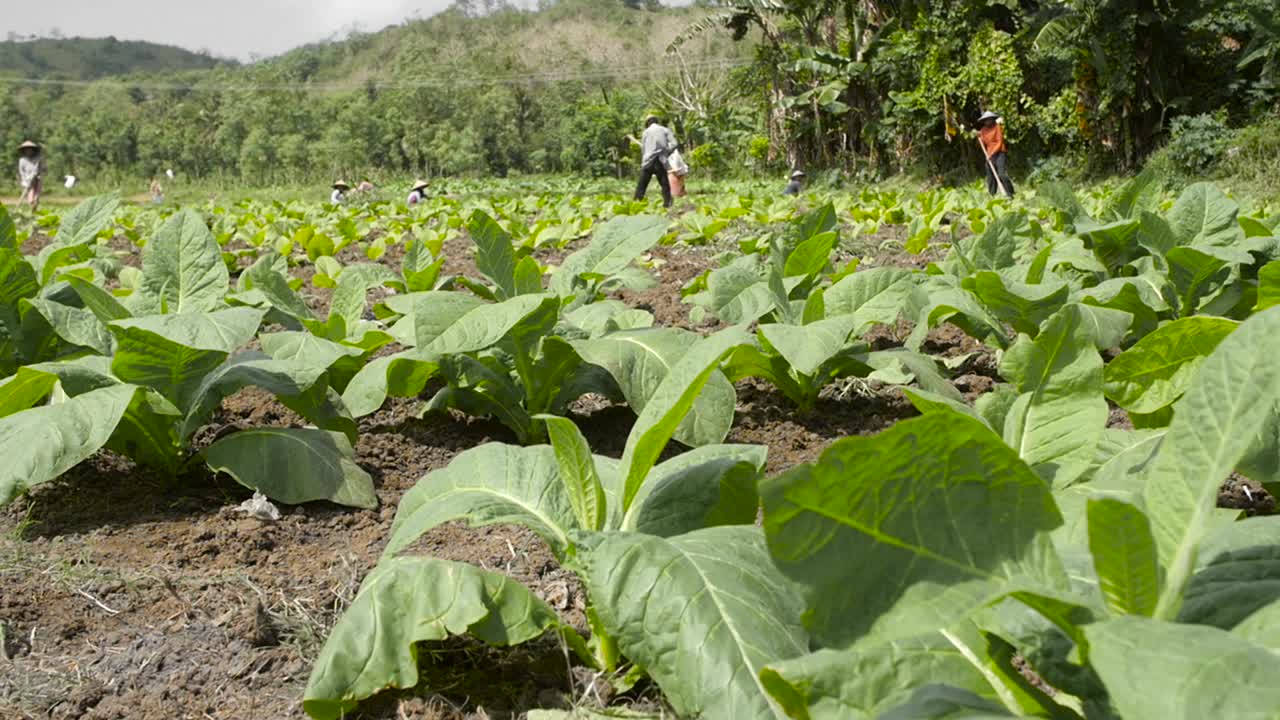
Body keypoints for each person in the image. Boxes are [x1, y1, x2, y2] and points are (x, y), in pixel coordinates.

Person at [632, 114, 677, 209]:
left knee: (642, 185)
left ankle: (636, 204)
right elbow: (674, 144)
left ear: (647, 123)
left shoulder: (645, 132)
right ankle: (667, 204)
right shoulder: (665, 130)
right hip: (660, 159)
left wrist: (644, 160)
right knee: (664, 184)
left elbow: (643, 149)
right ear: (657, 121)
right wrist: (666, 152)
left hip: (648, 161)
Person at [976, 111, 1015, 197]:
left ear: (993, 119)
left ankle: (1010, 193)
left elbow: (1000, 142)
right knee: (990, 176)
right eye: (986, 120)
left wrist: (992, 154)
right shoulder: (983, 130)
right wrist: (978, 137)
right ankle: (992, 195)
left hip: (1000, 153)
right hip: (989, 155)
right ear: (984, 121)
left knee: (1001, 174)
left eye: (990, 119)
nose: (988, 122)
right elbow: (981, 144)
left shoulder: (997, 127)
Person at [16, 140, 44, 211]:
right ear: (24, 150)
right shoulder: (22, 160)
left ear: (33, 150)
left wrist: (37, 173)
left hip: (37, 178)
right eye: (27, 149)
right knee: (30, 197)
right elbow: (21, 172)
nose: (29, 151)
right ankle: (31, 208)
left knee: (36, 197)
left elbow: (41, 168)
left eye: (30, 149)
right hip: (27, 180)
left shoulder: (38, 159)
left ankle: (35, 208)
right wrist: (25, 180)